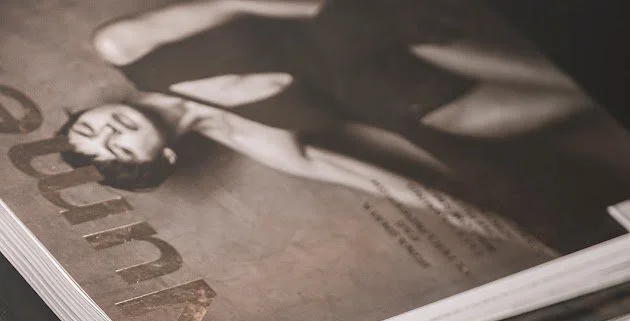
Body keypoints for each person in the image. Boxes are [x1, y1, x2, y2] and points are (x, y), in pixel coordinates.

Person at [60, 0, 590, 204]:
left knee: (569, 79)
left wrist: (346, 11)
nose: (111, 130)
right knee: (470, 136)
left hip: (370, 32)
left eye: (91, 127)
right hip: (408, 101)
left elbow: (233, 0)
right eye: (118, 148)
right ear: (165, 158)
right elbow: (354, 174)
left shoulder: (126, 48)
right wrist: (458, 210)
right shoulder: (245, 136)